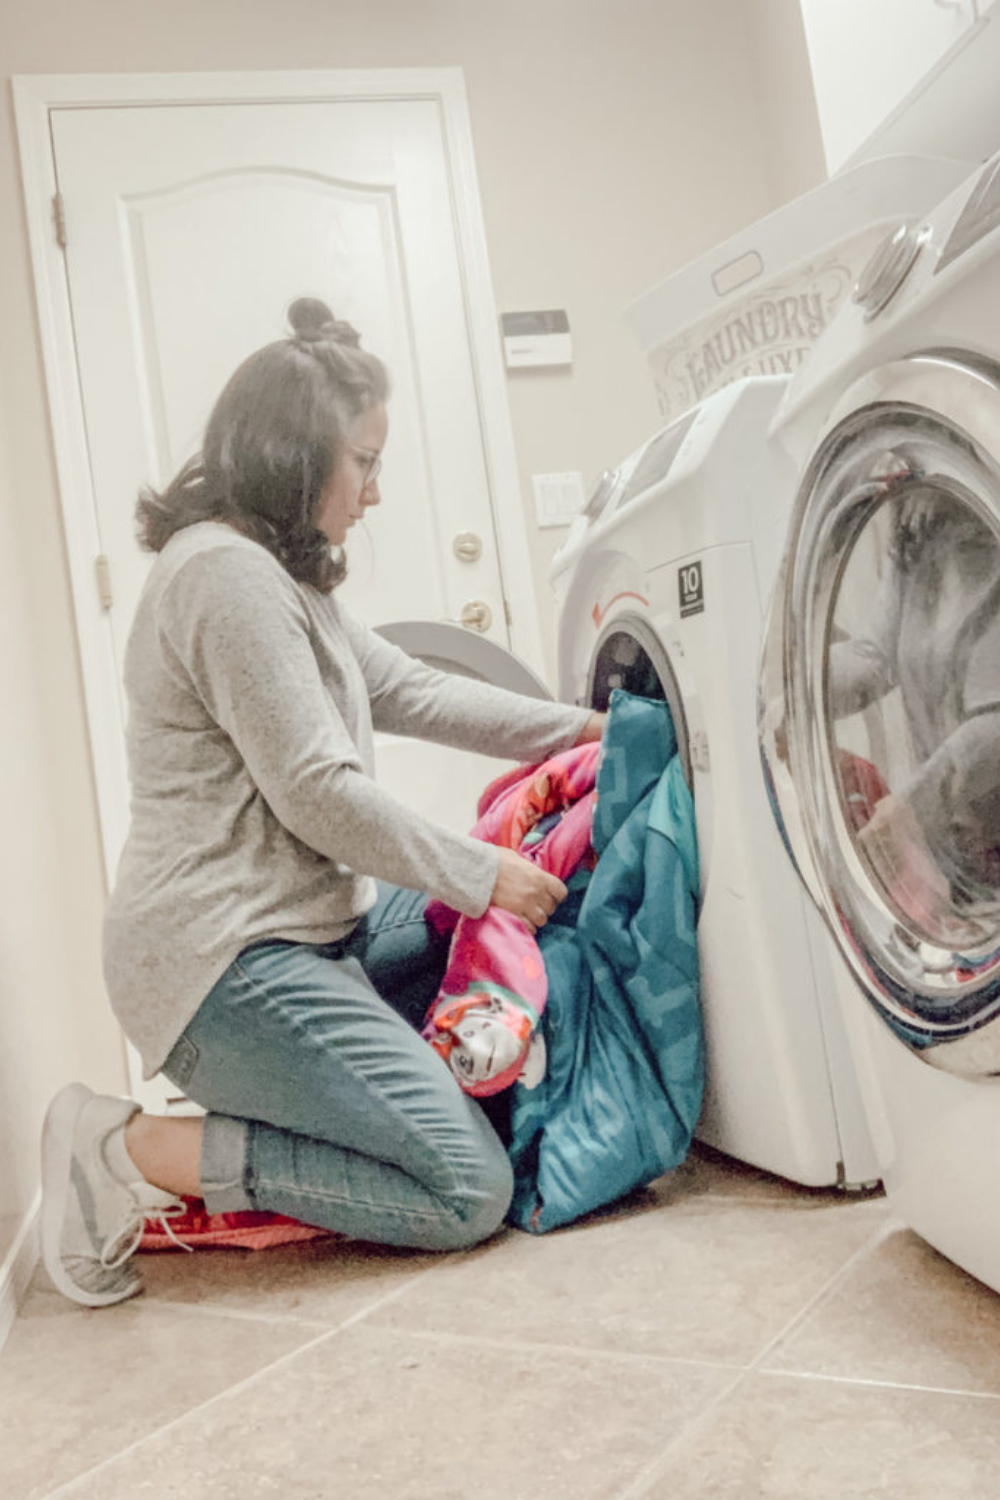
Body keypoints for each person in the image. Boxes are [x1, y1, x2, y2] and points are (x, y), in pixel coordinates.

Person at [40, 297, 604, 1308]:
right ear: (297, 458)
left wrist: (580, 728)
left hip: (308, 934)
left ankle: (348, 1097)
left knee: (469, 929)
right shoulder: (222, 576)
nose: (375, 492)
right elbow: (316, 793)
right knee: (463, 1189)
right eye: (365, 462)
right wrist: (482, 872)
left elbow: (411, 688)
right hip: (218, 966)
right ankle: (124, 1148)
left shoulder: (282, 576)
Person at [827, 487, 1000, 926]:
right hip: (962, 851)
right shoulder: (919, 531)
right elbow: (873, 659)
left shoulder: (985, 514)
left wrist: (911, 808)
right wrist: (794, 686)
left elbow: (994, 726)